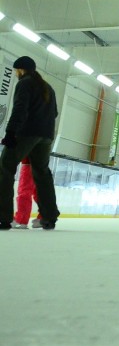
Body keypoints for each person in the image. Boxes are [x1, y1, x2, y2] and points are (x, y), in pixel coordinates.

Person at [0, 56, 61, 231]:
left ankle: (3, 217)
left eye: (15, 71)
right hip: (46, 136)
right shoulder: (47, 87)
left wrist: (11, 132)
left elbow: (20, 108)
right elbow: (54, 113)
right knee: (41, 173)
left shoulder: (24, 83)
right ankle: (49, 217)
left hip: (27, 133)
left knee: (5, 168)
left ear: (20, 69)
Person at [12, 157, 40, 229]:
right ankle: (45, 216)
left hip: (28, 164)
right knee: (39, 193)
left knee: (24, 192)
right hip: (40, 166)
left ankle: (21, 220)